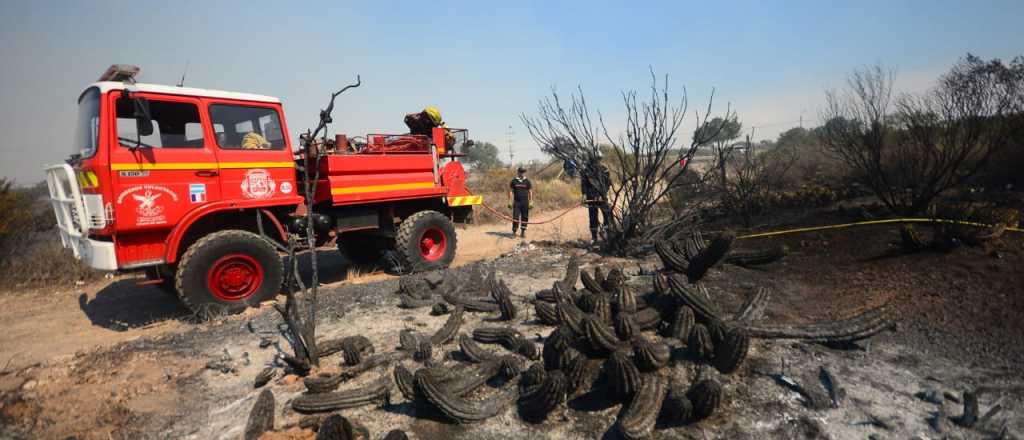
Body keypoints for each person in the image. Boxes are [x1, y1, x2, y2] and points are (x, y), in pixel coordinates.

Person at [581, 153, 612, 243]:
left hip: (602, 197)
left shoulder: (604, 169)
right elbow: (584, 184)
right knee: (593, 217)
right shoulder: (586, 170)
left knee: (607, 215)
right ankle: (594, 238)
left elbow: (608, 183)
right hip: (591, 197)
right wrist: (584, 195)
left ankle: (608, 235)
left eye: (598, 159)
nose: (597, 161)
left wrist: (602, 194)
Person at [508, 167, 532, 238]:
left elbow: (530, 191)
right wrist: (509, 201)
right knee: (515, 217)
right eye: (521, 172)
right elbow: (511, 191)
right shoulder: (514, 181)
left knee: (525, 217)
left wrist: (531, 201)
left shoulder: (527, 181)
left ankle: (523, 232)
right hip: (517, 202)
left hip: (525, 202)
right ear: (518, 172)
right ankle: (514, 232)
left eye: (523, 172)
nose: (522, 173)